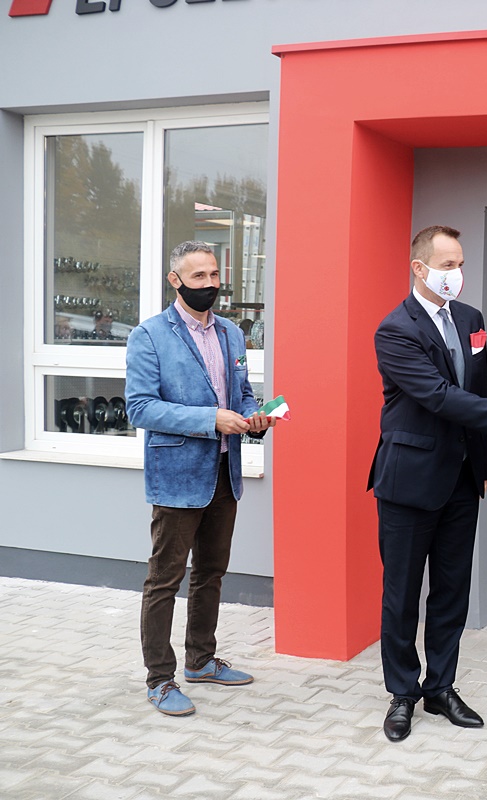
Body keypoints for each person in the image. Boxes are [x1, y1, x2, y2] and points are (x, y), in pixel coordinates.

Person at [368, 224, 487, 743]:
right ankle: (402, 693)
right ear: (419, 268)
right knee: (402, 594)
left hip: (461, 478)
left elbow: (479, 388)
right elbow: (439, 396)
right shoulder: (395, 330)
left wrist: (484, 467)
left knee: (452, 590)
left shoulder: (471, 319)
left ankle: (440, 687)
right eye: (447, 265)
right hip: (409, 480)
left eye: (460, 264)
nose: (457, 274)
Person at [125, 240, 276, 717]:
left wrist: (254, 417)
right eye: (199, 277)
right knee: (164, 580)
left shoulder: (231, 332)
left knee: (211, 573)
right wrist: (211, 419)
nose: (210, 284)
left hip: (224, 474)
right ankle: (159, 679)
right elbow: (140, 408)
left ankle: (201, 661)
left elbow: (242, 392)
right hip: (177, 478)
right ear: (175, 281)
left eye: (214, 275)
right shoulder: (149, 335)